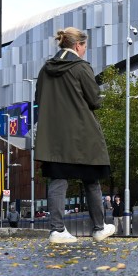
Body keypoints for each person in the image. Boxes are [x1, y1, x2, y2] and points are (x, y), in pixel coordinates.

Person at [34, 27, 115, 244]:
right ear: (78, 45)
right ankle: (99, 228)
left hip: (54, 137)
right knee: (91, 180)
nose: (85, 51)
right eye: (85, 47)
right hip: (82, 134)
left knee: (58, 181)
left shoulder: (45, 70)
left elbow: (39, 98)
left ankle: (57, 230)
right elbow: (95, 100)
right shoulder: (80, 67)